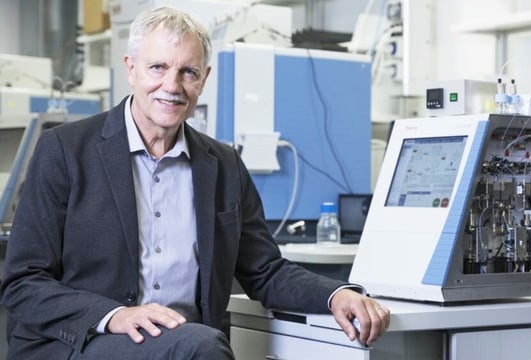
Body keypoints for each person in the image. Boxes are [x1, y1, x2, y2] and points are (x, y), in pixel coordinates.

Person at [0, 6, 390, 360]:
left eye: (187, 72)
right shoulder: (65, 151)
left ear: (203, 80)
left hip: (185, 341)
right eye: (158, 68)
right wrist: (113, 315)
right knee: (199, 346)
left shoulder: (222, 165)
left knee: (196, 342)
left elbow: (264, 270)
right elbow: (22, 282)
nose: (172, 85)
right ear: (131, 68)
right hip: (79, 343)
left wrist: (337, 294)